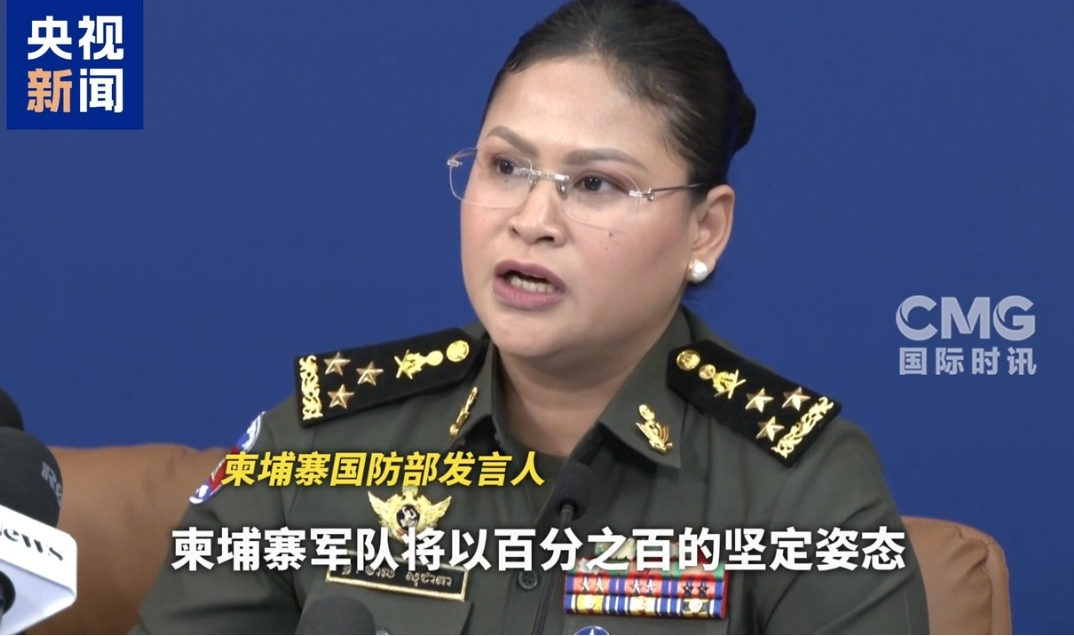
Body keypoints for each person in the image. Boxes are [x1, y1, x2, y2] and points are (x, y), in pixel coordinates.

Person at [132, 0, 930, 633]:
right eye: (507, 166)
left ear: (706, 230)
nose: (531, 219)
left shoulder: (801, 489)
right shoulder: (322, 443)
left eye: (596, 184)